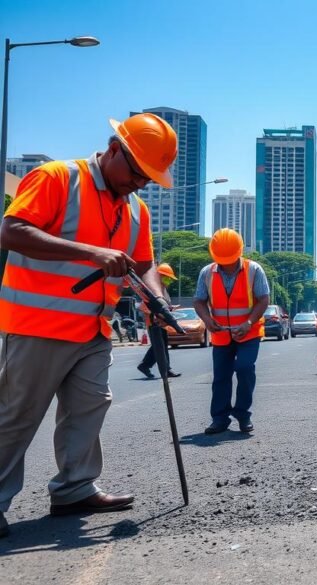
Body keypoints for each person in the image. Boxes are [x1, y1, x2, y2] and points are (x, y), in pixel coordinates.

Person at [0, 113, 178, 535]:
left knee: (89, 407)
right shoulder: (58, 177)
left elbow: (146, 263)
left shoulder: (136, 208)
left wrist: (156, 295)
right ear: (114, 149)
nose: (139, 183)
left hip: (94, 330)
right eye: (136, 172)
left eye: (148, 178)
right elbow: (11, 230)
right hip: (37, 324)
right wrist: (91, 253)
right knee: (17, 415)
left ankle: (74, 488)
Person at [194, 229, 270, 435]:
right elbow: (199, 301)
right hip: (220, 334)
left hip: (249, 332)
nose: (226, 263)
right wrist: (208, 320)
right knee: (221, 377)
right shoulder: (207, 272)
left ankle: (243, 413)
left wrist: (248, 322)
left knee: (245, 369)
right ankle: (219, 418)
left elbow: (263, 299)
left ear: (239, 252)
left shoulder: (254, 270)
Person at [137, 263, 181, 379]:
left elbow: (163, 307)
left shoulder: (163, 290)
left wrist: (170, 308)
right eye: (167, 277)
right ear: (159, 276)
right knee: (160, 347)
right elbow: (143, 307)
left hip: (162, 323)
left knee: (160, 346)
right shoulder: (152, 289)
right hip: (154, 323)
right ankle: (166, 370)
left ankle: (145, 365)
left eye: (170, 279)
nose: (169, 281)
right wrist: (155, 314)